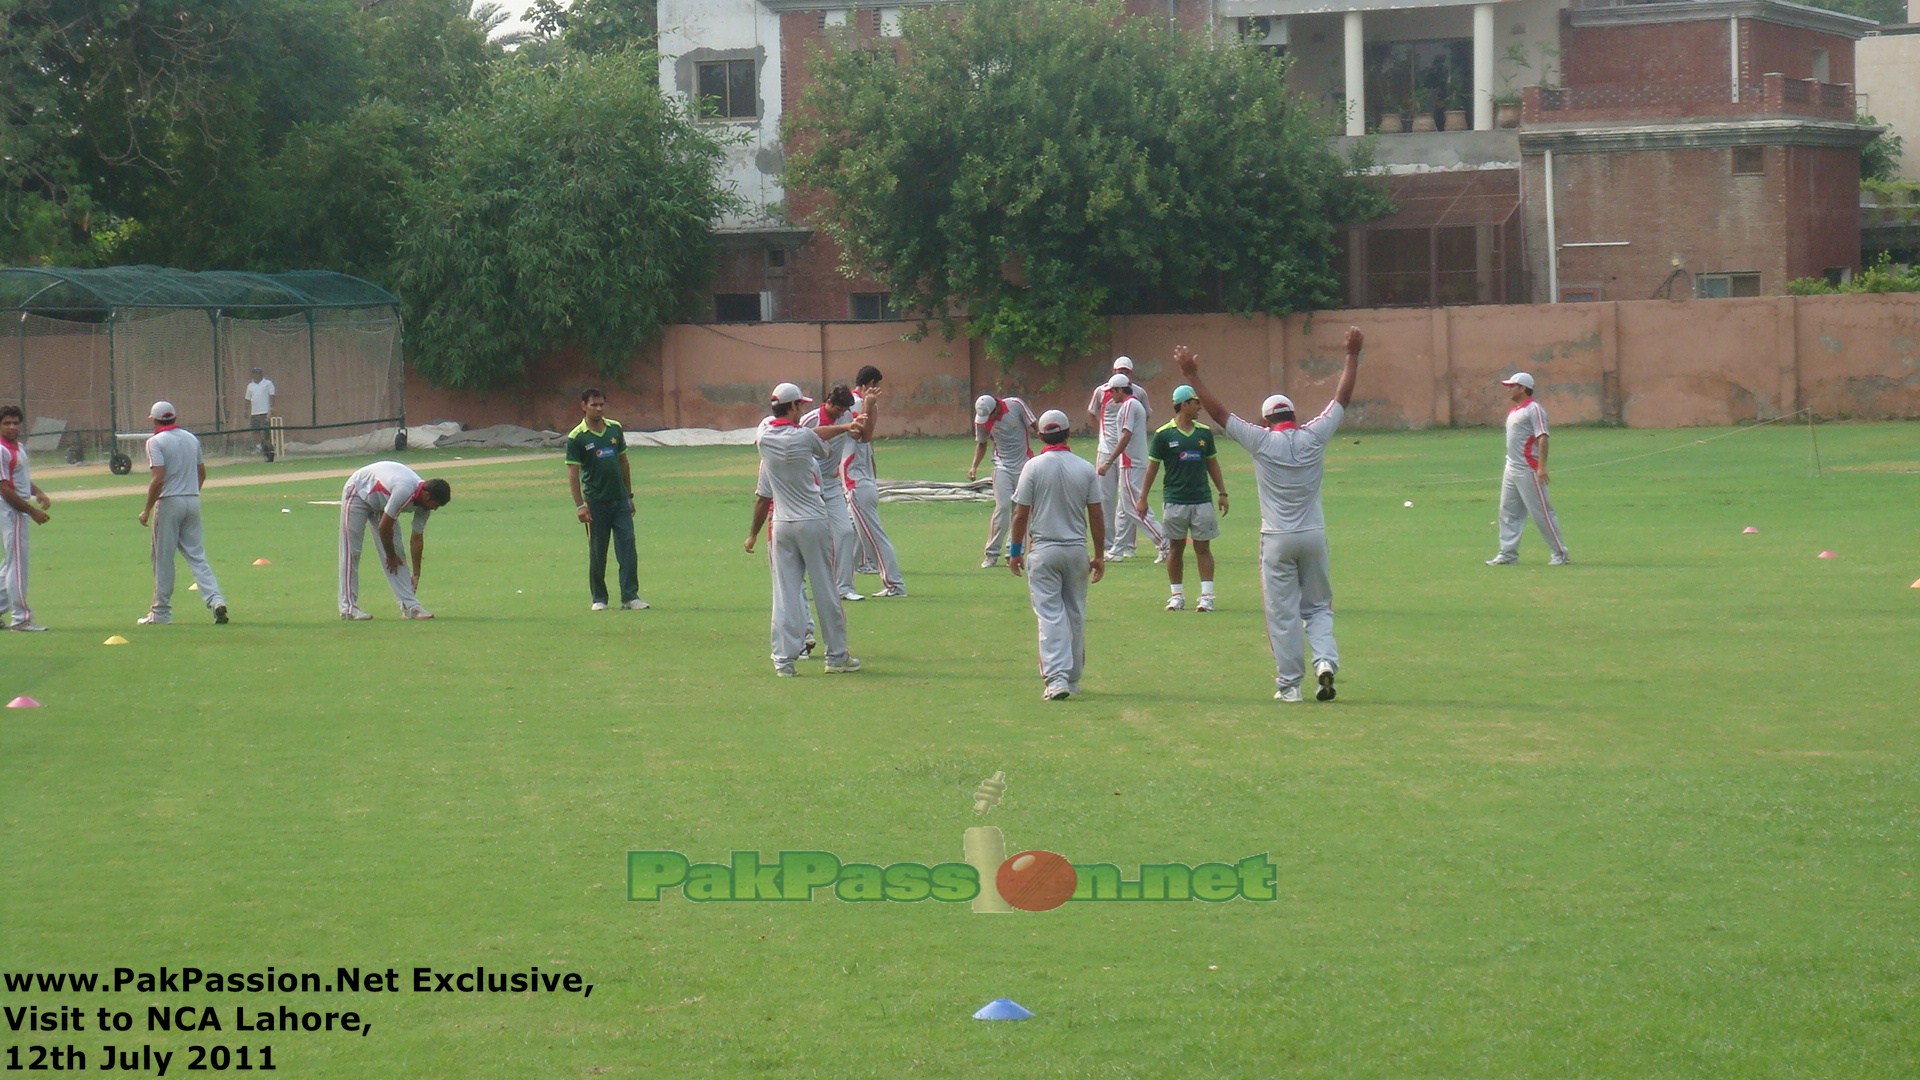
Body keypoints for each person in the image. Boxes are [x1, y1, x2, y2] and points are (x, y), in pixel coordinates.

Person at [1175, 327, 1362, 703]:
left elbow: (1219, 413)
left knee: (1283, 615)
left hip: (1276, 539)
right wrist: (1352, 355)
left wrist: (1192, 375)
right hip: (1313, 534)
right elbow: (1341, 399)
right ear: (1293, 414)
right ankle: (1325, 662)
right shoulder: (1314, 436)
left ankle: (1290, 686)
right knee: (1318, 607)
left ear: (1265, 421)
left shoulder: (1261, 441)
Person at [745, 382, 868, 677]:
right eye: (799, 404)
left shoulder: (764, 437)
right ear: (792, 407)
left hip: (782, 524)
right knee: (825, 589)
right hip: (812, 521)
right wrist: (845, 427)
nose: (803, 409)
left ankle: (783, 661)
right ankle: (836, 656)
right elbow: (819, 443)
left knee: (785, 594)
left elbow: (764, 495)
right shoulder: (802, 438)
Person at [1009, 409, 1106, 701]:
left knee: (1050, 615)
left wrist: (1014, 551)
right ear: (1068, 433)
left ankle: (1056, 678)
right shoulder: (1085, 467)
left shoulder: (1033, 467)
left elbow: (1020, 514)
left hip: (1043, 549)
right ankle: (1073, 677)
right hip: (1076, 550)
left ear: (1040, 436)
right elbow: (1097, 515)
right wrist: (1099, 554)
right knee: (1075, 613)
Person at [1134, 384, 1228, 612]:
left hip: (1201, 499)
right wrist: (1142, 498)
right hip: (1175, 500)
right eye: (1196, 402)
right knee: (1175, 548)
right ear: (1184, 404)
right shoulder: (1164, 435)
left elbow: (1212, 464)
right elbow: (1152, 468)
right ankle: (1177, 596)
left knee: (1203, 548)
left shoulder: (1204, 433)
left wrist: (1222, 492)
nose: (1199, 407)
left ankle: (1206, 597)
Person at [135, 401, 228, 626]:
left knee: (162, 559)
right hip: (192, 499)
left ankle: (161, 612)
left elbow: (158, 478)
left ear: (155, 420)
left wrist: (147, 509)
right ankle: (216, 600)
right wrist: (191, 492)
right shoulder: (190, 438)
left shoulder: (155, 442)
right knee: (197, 556)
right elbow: (202, 472)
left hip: (169, 502)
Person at [566, 388, 647, 611]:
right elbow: (573, 473)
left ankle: (630, 596)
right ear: (583, 406)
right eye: (594, 405)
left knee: (628, 547)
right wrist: (580, 505)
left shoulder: (614, 428)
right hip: (595, 503)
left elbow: (624, 462)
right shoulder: (577, 437)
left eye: (602, 404)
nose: (599, 409)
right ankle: (599, 598)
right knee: (598, 551)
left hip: (619, 500)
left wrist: (629, 495)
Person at [339, 461, 451, 620]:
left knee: (398, 553)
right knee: (352, 551)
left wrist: (416, 574)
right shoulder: (404, 490)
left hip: (382, 501)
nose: (434, 509)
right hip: (359, 491)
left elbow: (416, 539)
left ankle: (410, 606)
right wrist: (390, 556)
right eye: (436, 505)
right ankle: (348, 608)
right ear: (427, 495)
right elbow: (384, 527)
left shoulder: (425, 504)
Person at [1487, 372, 1570, 567]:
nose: (1509, 389)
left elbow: (1542, 437)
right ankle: (1508, 554)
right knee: (1508, 512)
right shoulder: (1515, 411)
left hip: (1528, 469)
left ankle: (1560, 553)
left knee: (1541, 512)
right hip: (1511, 467)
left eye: (1512, 386)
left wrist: (1541, 467)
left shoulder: (1534, 409)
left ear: (1523, 388)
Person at [844, 366, 906, 597]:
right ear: (870, 383)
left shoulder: (860, 404)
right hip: (857, 480)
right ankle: (843, 583)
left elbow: (863, 437)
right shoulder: (856, 404)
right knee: (849, 536)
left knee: (873, 538)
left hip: (857, 482)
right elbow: (865, 440)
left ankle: (895, 584)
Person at [800, 386, 865, 603]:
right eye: (838, 409)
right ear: (828, 402)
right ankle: (803, 586)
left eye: (844, 410)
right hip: (808, 484)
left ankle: (844, 587)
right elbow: (808, 436)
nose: (841, 413)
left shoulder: (846, 414)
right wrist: (846, 427)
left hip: (831, 481)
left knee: (846, 531)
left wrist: (869, 409)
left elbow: (862, 433)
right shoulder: (812, 418)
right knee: (812, 536)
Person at [1095, 373, 1167, 563]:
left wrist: (1109, 461)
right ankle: (1118, 548)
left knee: (1136, 508)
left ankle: (1163, 542)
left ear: (1120, 390)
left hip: (1130, 462)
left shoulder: (1128, 406)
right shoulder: (1134, 405)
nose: (1111, 395)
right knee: (1124, 508)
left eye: (1113, 391)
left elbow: (1125, 436)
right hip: (1134, 462)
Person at [1086, 355, 1152, 556]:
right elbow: (1091, 412)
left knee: (1129, 498)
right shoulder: (1102, 391)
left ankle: (1128, 545)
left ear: (1130, 373)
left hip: (1128, 451)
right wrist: (1102, 433)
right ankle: (1108, 544)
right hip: (1106, 449)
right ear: (1113, 371)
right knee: (1105, 497)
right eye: (1118, 370)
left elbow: (1146, 414)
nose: (1121, 373)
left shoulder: (1138, 393)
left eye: (1125, 371)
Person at [967, 392, 1038, 568]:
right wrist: (974, 466)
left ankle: (1014, 551)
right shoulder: (982, 421)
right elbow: (982, 443)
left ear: (996, 408)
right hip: (1002, 466)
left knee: (1021, 509)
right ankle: (991, 553)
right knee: (1003, 506)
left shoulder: (1015, 405)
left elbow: (1035, 425)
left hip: (1024, 464)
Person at [0, 404, 51, 631]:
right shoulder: (1, 450)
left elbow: (19, 480)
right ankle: (21, 619)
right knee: (18, 566)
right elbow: (4, 488)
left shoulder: (18, 447)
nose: (12, 427)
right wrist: (31, 511)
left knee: (10, 564)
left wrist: (37, 491)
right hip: (12, 510)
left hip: (18, 507)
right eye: (6, 423)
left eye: (15, 422)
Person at [243, 368, 276, 458]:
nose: (255, 375)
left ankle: (268, 448)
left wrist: (271, 409)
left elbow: (272, 395)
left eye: (257, 373)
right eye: (254, 374)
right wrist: (246, 410)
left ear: (261, 374)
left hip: (265, 411)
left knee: (266, 431)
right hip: (255, 412)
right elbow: (247, 398)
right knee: (255, 431)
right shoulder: (250, 385)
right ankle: (259, 447)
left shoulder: (267, 383)